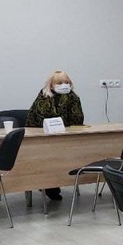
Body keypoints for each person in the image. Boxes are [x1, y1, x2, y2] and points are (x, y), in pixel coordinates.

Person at [27, 70, 85, 200]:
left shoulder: (73, 97)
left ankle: (55, 182)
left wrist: (70, 100)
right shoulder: (44, 96)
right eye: (60, 83)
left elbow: (78, 119)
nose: (64, 85)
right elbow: (41, 118)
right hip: (41, 137)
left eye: (66, 82)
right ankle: (49, 185)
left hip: (64, 137)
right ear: (51, 85)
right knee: (48, 157)